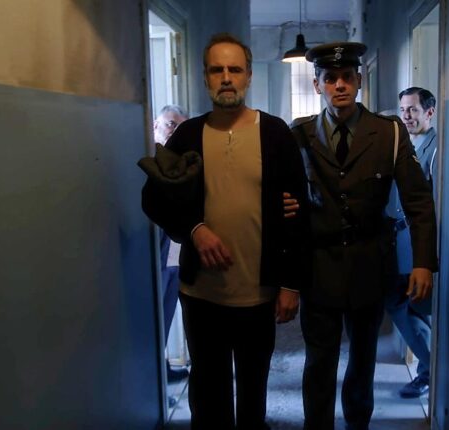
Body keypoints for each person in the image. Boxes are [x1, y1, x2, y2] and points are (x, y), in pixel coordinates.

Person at [141, 33, 308, 430]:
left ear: (248, 76)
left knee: (253, 393)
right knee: (208, 395)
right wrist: (194, 229)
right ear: (206, 78)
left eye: (235, 69)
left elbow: (298, 213)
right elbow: (153, 199)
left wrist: (291, 285)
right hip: (202, 295)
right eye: (218, 70)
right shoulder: (187, 135)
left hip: (259, 294)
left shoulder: (275, 133)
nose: (227, 77)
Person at [288, 42, 438, 430]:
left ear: (358, 81)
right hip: (318, 268)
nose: (339, 85)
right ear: (317, 85)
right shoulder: (299, 134)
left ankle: (358, 424)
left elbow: (418, 201)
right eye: (330, 78)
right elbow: (281, 197)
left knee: (363, 361)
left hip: (370, 265)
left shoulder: (388, 133)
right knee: (318, 363)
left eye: (346, 77)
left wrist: (423, 262)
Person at [384, 87, 438, 399]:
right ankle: (429, 370)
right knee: (407, 307)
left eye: (413, 110)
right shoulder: (404, 143)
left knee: (409, 306)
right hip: (400, 242)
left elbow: (431, 205)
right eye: (403, 109)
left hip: (416, 245)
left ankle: (431, 370)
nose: (406, 116)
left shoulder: (434, 148)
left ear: (429, 113)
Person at [153, 105, 190, 384]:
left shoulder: (182, 163)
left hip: (176, 245)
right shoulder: (146, 156)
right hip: (153, 243)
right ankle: (154, 368)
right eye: (170, 124)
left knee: (169, 301)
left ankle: (161, 364)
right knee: (156, 305)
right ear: (156, 124)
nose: (174, 131)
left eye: (180, 127)